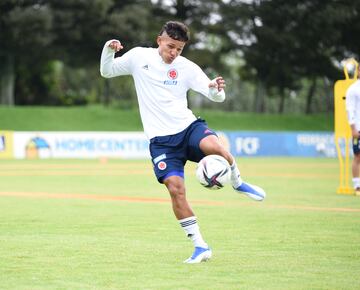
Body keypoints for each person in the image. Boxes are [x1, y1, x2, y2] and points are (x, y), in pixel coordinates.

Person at [100, 21, 266, 263]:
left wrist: (216, 89)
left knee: (217, 148)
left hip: (188, 128)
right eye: (170, 47)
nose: (174, 53)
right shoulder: (138, 57)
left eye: (179, 49)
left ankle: (238, 182)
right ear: (159, 40)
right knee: (176, 191)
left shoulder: (186, 67)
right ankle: (200, 246)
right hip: (162, 142)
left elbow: (215, 95)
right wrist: (108, 49)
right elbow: (107, 71)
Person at [345, 63, 360, 196]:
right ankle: (357, 187)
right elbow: (350, 110)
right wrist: (353, 128)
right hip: (358, 129)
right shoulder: (353, 89)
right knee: (358, 157)